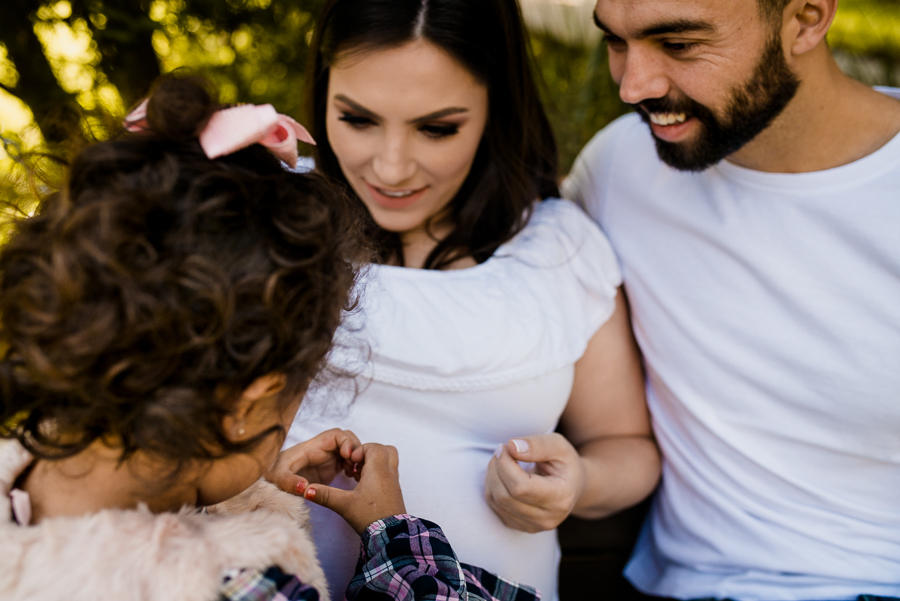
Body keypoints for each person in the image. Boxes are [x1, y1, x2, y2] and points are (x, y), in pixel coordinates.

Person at [0, 75, 541, 601]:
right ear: (250, 399)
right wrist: (393, 533)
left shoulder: (24, 481)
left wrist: (237, 472)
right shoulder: (237, 584)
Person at [281, 0, 661, 599]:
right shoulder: (265, 223)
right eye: (357, 119)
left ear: (495, 108)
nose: (391, 166)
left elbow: (629, 447)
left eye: (437, 128)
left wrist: (578, 482)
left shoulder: (557, 251)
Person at [561, 0, 900, 598]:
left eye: (680, 44)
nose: (633, 86)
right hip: (682, 586)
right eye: (616, 42)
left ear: (807, 18)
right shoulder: (619, 165)